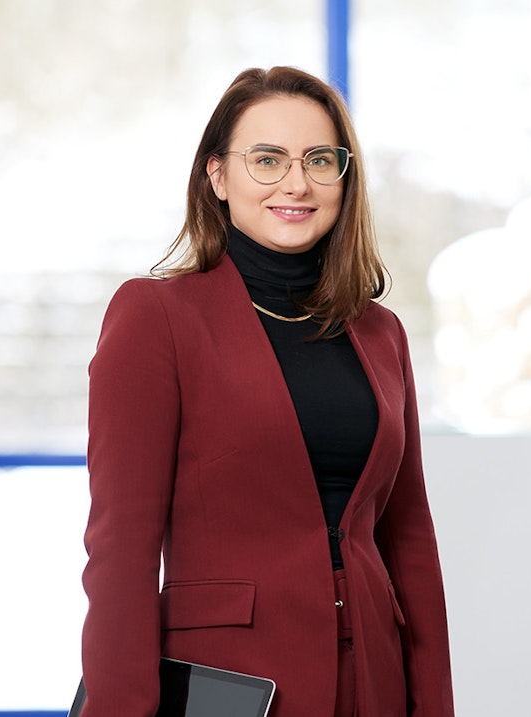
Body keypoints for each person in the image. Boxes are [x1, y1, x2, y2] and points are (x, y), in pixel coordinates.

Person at [81, 66, 453, 717]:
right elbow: (121, 549)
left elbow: (409, 538)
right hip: (232, 681)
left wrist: (434, 705)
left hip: (374, 680)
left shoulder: (380, 332)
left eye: (319, 160)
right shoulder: (156, 316)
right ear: (218, 176)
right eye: (267, 159)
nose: (297, 183)